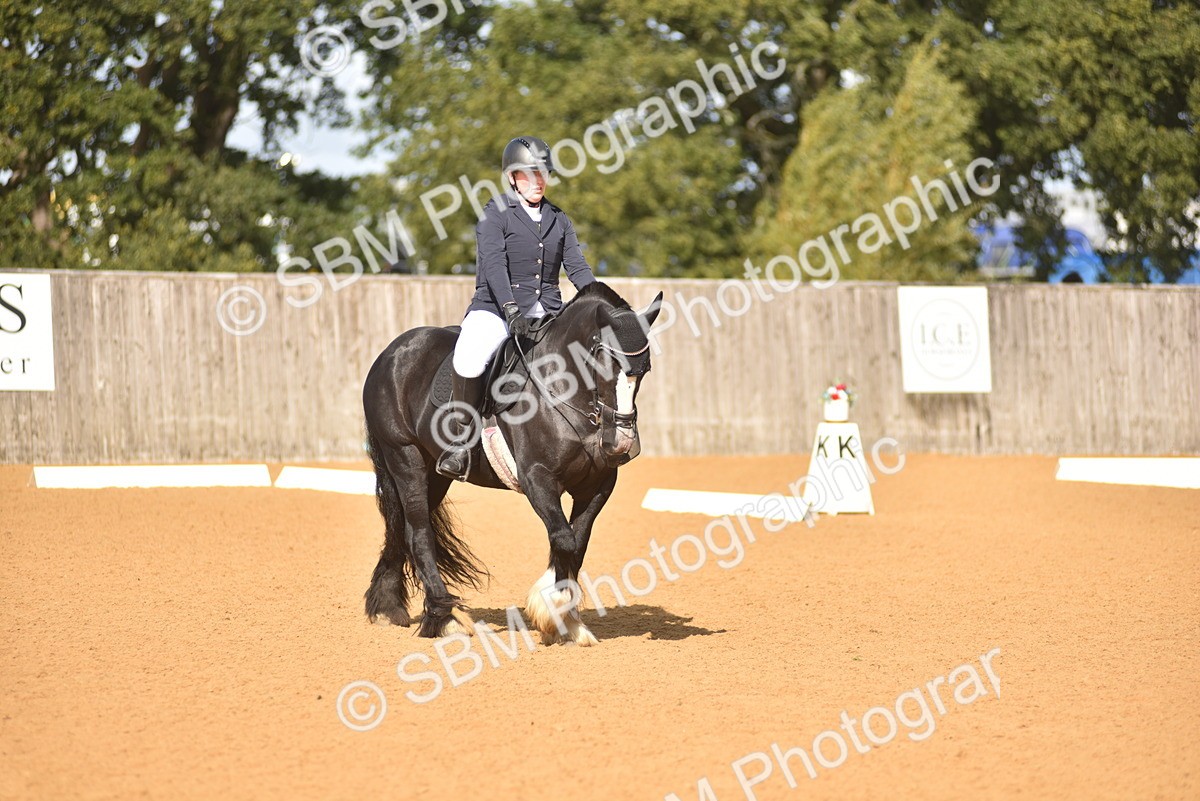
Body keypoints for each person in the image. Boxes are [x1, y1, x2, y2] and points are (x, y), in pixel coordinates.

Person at [435, 136, 598, 480]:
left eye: (543, 174)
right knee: (470, 354)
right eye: (529, 174)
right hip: (496, 309)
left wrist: (601, 302)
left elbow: (578, 267)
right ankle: (460, 442)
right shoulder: (496, 213)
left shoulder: (559, 219)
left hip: (549, 312)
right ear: (512, 177)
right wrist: (510, 308)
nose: (538, 181)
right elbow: (493, 265)